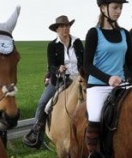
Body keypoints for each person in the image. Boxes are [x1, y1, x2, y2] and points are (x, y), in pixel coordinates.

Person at [83, 0, 132, 158]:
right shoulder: (93, 34)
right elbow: (87, 65)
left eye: (121, 8)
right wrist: (108, 78)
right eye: (115, 7)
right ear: (103, 8)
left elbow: (130, 63)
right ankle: (94, 156)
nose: (119, 11)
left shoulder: (125, 34)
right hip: (98, 86)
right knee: (95, 117)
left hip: (122, 84)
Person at [22, 15, 85, 148]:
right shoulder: (52, 46)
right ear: (57, 30)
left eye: (67, 26)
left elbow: (84, 61)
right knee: (43, 103)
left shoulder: (77, 42)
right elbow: (51, 65)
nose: (65, 29)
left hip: (79, 79)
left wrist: (83, 72)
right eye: (62, 26)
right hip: (61, 80)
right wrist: (58, 69)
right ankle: (37, 131)